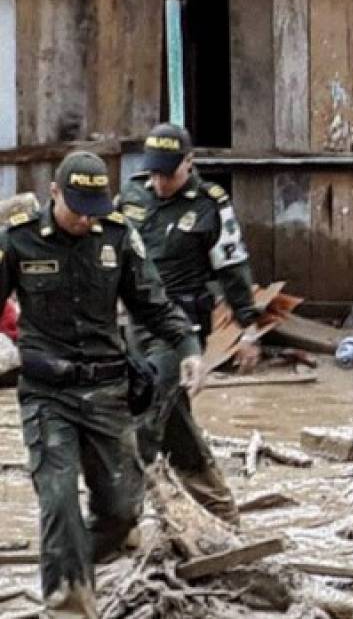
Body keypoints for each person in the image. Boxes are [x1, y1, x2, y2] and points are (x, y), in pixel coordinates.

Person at [0, 151, 202, 616]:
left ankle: (77, 569)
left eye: (94, 210)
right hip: (47, 392)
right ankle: (68, 599)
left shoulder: (115, 235)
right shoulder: (19, 238)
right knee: (58, 497)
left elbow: (153, 302)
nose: (85, 222)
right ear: (54, 193)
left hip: (109, 392)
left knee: (120, 512)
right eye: (77, 209)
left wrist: (188, 349)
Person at [116, 123, 261, 525]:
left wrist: (248, 328)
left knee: (145, 418)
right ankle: (219, 508)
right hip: (134, 325)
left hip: (180, 330)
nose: (161, 182)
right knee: (173, 417)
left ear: (190, 163)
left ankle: (122, 521)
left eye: (170, 173)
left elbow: (233, 267)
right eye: (156, 173)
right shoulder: (130, 195)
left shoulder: (210, 204)